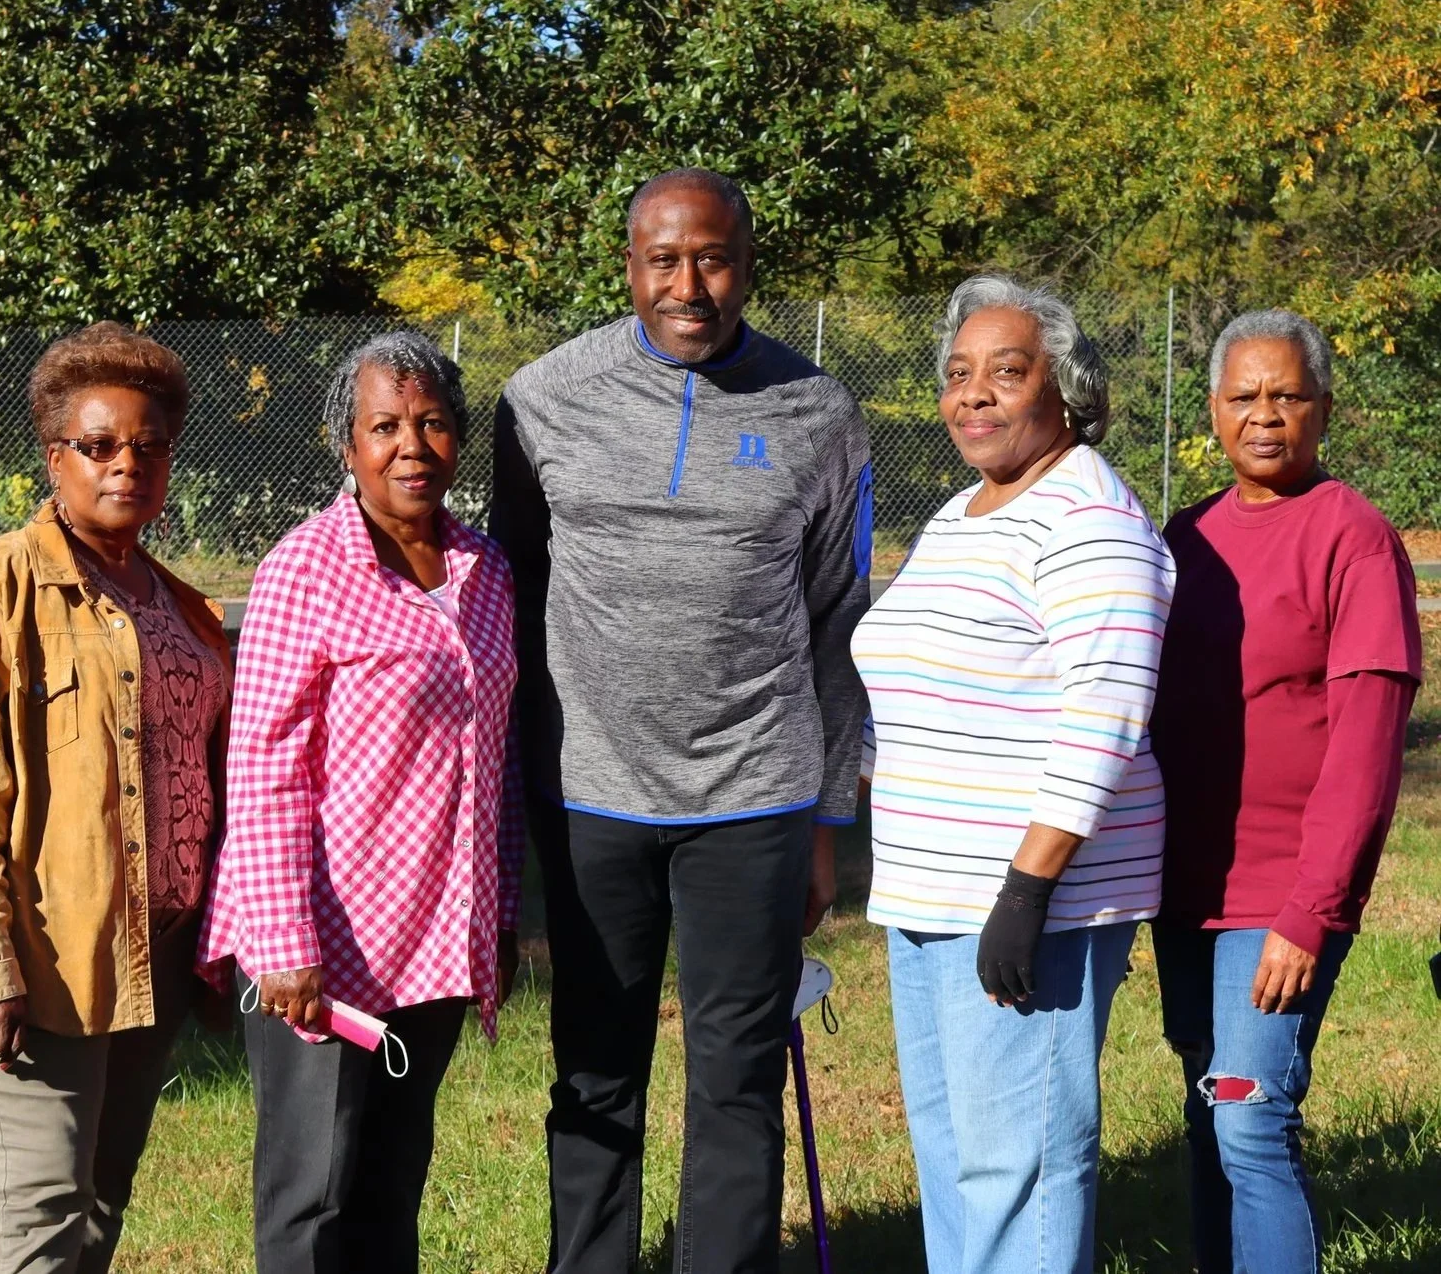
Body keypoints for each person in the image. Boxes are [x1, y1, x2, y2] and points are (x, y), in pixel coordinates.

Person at [491, 168, 872, 1273]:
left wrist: (823, 817)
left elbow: (837, 618)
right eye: (664, 259)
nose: (688, 283)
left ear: (747, 264)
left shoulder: (818, 410)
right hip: (589, 793)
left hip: (752, 795)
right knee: (595, 1071)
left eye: (711, 257)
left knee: (736, 1073)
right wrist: (516, 820)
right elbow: (509, 595)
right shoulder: (543, 399)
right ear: (629, 267)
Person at [850, 273, 1175, 1274]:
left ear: (1064, 390)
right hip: (927, 894)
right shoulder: (964, 513)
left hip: (1029, 897)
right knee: (955, 1162)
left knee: (1019, 1167)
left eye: (1005, 370)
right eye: (956, 374)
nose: (972, 395)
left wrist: (1026, 890)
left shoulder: (1089, 519)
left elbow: (1105, 711)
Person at [197, 331, 522, 1274]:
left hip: (434, 943)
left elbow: (490, 762)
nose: (410, 445)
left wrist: (496, 912)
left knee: (390, 1183)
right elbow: (262, 767)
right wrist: (284, 946)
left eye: (431, 423)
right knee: (312, 1199)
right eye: (384, 425)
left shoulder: (485, 570)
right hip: (325, 948)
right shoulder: (306, 568)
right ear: (347, 446)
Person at [0, 323, 232, 1274]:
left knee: (98, 1198)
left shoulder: (180, 602)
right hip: (38, 958)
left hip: (149, 952)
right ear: (55, 457)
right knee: (39, 1207)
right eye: (98, 445)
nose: (125, 463)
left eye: (149, 445)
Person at [1150, 310, 1422, 1274]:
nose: (1265, 415)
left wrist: (1312, 911)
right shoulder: (1188, 536)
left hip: (1281, 897)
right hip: (1186, 893)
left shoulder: (1353, 535)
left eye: (1288, 394)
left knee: (1250, 1117)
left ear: (1323, 410)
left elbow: (1366, 744)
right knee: (1206, 1110)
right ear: (1215, 413)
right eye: (1244, 396)